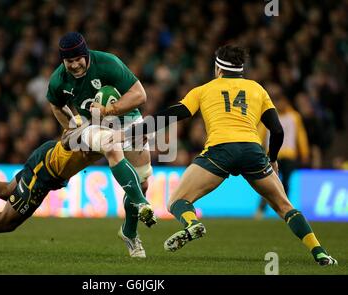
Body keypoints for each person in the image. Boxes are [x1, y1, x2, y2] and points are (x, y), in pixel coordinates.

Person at [127, 45, 337, 266]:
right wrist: (272, 159)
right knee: (285, 207)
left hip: (220, 151)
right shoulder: (257, 89)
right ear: (241, 69)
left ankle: (192, 224)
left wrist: (137, 130)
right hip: (252, 151)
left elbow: (174, 114)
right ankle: (320, 253)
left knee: (178, 201)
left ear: (218, 68)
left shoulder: (204, 90)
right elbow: (277, 130)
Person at [0, 123, 156, 258]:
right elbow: (73, 138)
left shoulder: (98, 126)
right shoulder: (94, 130)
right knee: (7, 221)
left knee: (8, 189)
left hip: (46, 160)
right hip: (44, 174)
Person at [46, 32, 154, 254]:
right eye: (69, 61)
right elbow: (56, 105)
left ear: (86, 55)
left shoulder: (108, 63)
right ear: (62, 61)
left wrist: (108, 110)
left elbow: (139, 95)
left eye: (78, 59)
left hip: (127, 118)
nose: (75, 65)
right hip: (92, 124)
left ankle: (129, 232)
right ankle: (142, 204)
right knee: (112, 146)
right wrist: (72, 129)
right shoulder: (59, 79)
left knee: (142, 181)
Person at [255, 84, 310, 219]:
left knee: (285, 183)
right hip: (272, 154)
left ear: (286, 102)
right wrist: (256, 147)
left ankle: (285, 210)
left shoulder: (294, 117)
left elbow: (301, 135)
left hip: (289, 155)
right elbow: (259, 134)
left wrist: (304, 152)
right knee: (268, 184)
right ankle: (261, 209)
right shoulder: (269, 116)